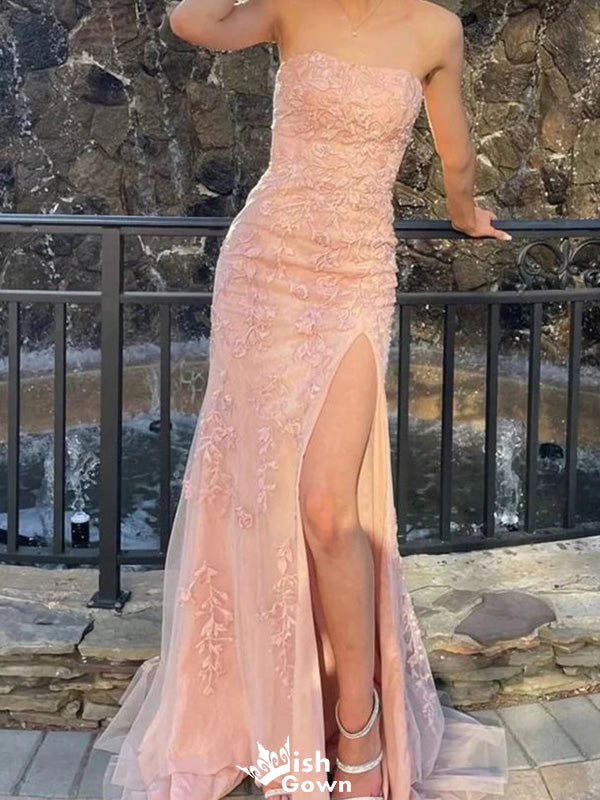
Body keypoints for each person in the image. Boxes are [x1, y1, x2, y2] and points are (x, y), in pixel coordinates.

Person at [93, 2, 510, 800]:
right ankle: (260, 707)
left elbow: (455, 152)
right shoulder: (290, 4)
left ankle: (358, 727)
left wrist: (467, 214)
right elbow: (191, 22)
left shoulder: (435, 29)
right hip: (263, 266)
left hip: (354, 276)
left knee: (326, 507)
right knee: (252, 495)